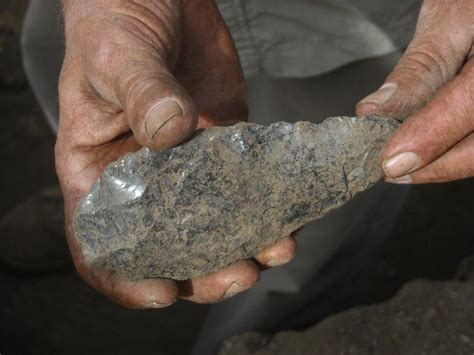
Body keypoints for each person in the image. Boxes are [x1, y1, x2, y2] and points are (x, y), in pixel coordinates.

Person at [14, 0, 474, 353]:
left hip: (351, 25)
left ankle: (250, 339)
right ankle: (98, 198)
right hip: (130, 25)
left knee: (303, 254)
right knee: (93, 90)